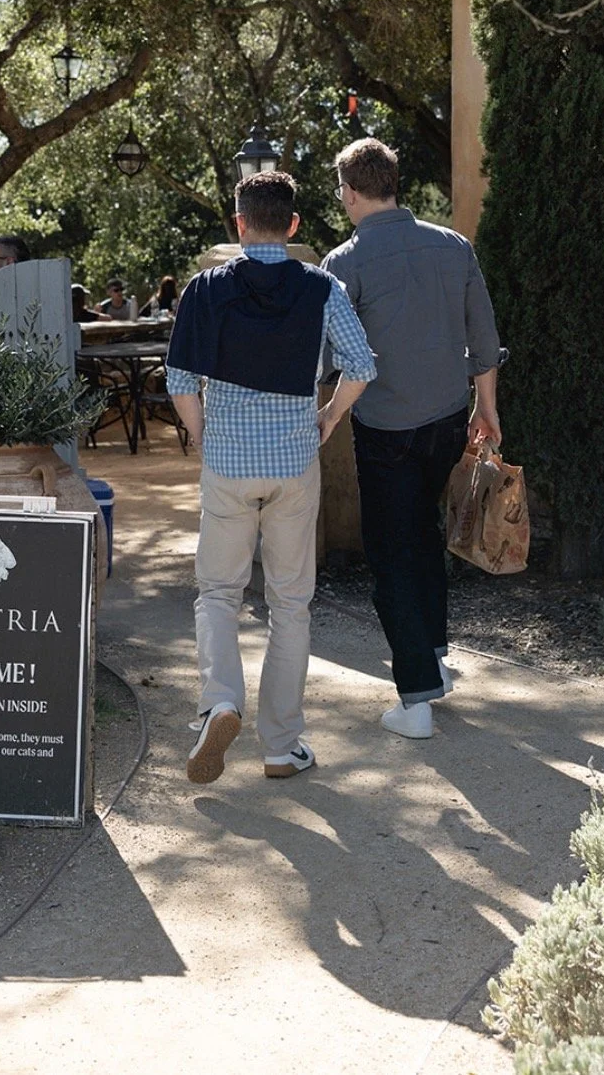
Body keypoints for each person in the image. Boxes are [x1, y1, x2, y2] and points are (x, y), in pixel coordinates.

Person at [167, 171, 376, 785]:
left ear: (238, 224)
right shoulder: (321, 286)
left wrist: (205, 438)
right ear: (292, 225)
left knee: (218, 594)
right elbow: (361, 366)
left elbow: (180, 382)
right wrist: (329, 418)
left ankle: (221, 703)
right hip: (293, 464)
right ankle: (282, 747)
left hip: (229, 465)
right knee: (290, 604)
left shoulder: (206, 289)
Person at [322, 137, 502, 741]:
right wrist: (488, 408)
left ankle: (416, 696)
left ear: (349, 192)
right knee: (424, 534)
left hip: (386, 427)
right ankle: (435, 660)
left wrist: (319, 413)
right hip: (451, 416)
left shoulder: (342, 263)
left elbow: (330, 358)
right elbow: (484, 334)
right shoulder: (453, 245)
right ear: (394, 183)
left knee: (392, 553)